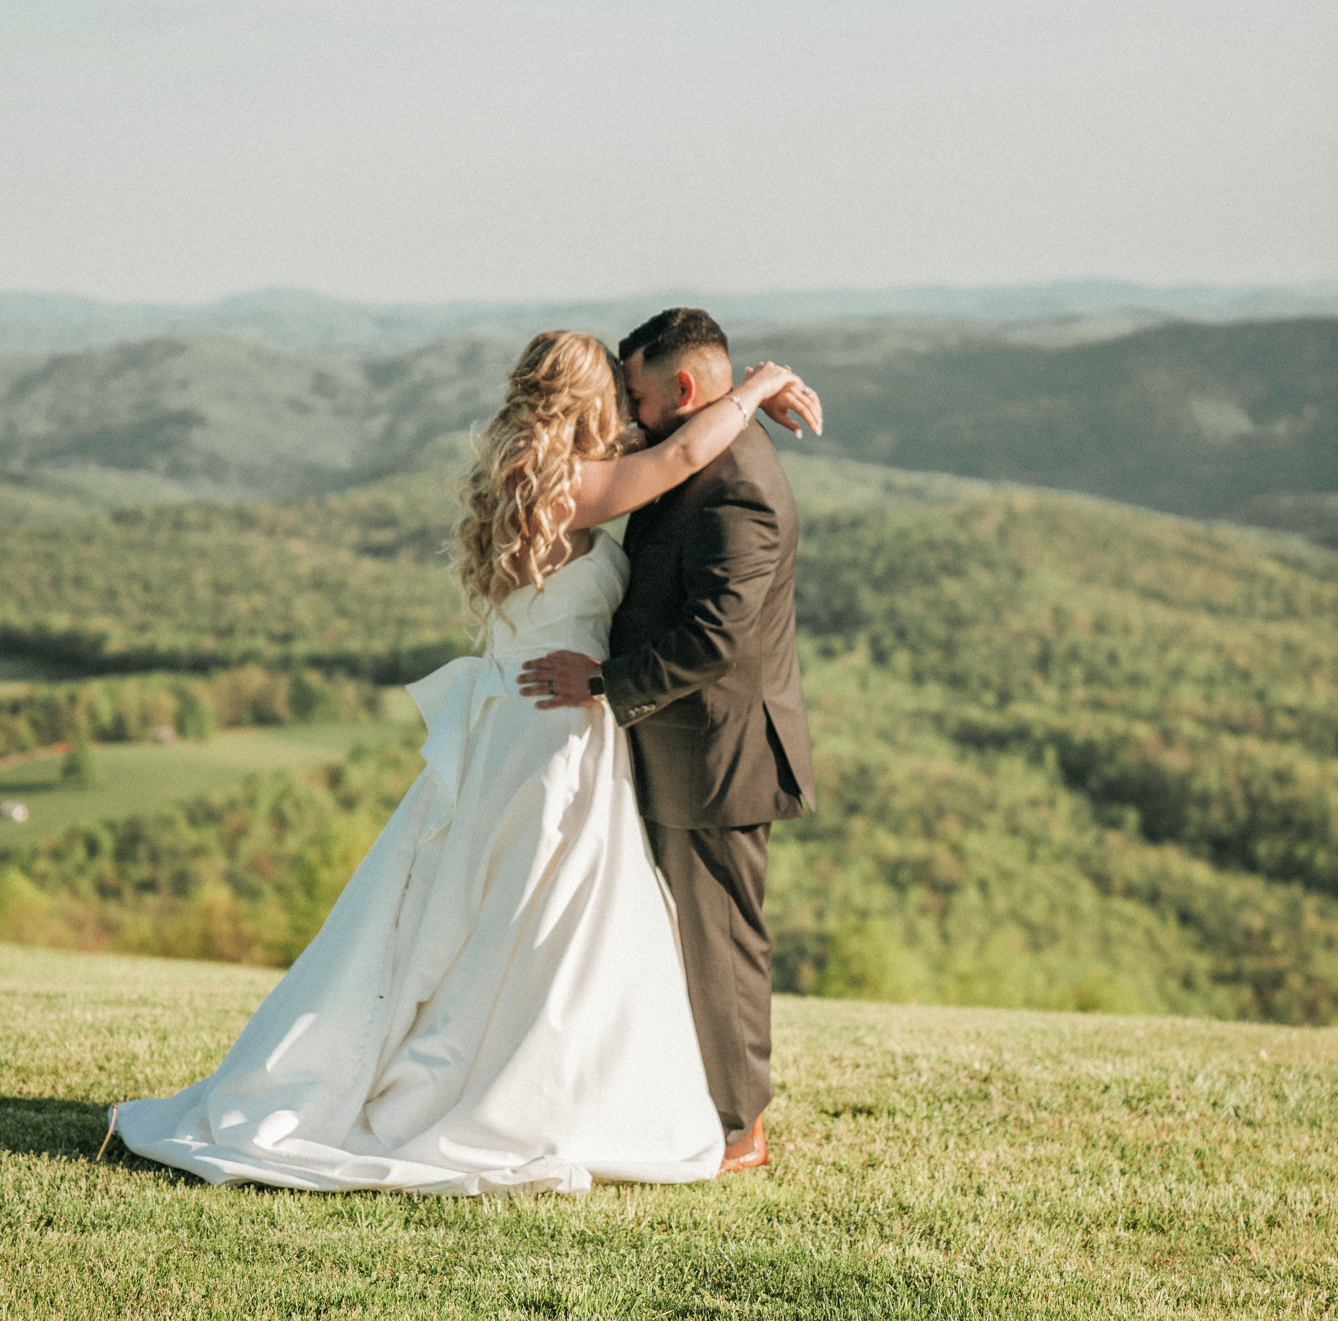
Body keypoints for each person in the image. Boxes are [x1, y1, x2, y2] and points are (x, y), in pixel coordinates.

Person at [110, 330, 821, 1198]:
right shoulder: (586, 486)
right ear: (591, 398)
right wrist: (757, 388)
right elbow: (678, 453)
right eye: (619, 395)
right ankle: (520, 1094)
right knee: (544, 915)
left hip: (518, 716)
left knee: (499, 908)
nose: (632, 413)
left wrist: (725, 400)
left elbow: (659, 445)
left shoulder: (527, 480)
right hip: (561, 717)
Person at [516, 308, 816, 1174]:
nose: (631, 417)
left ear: (684, 389)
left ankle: (739, 1129)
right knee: (683, 935)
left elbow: (716, 635)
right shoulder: (698, 454)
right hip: (677, 742)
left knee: (720, 941)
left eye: (640, 397)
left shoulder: (738, 488)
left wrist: (604, 684)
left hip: (717, 754)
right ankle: (695, 1102)